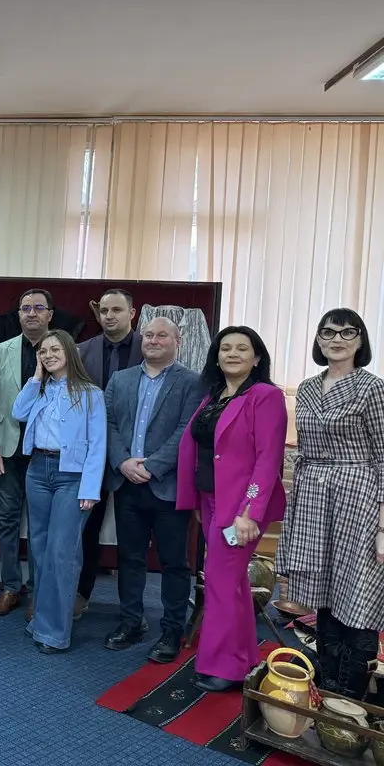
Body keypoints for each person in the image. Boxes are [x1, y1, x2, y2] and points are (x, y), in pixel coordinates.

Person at [279, 309, 384, 700]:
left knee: (358, 590)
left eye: (347, 332)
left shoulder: (372, 388)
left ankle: (350, 698)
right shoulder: (307, 387)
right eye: (328, 332)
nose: (337, 339)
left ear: (361, 340)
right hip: (313, 498)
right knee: (323, 590)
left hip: (359, 496)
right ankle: (326, 684)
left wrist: (383, 526)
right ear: (318, 340)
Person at [177, 326, 287, 692]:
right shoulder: (214, 395)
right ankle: (243, 659)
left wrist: (249, 512)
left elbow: (268, 459)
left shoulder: (266, 396)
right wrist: (198, 500)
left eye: (242, 348)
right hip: (211, 500)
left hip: (242, 506)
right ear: (217, 356)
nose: (233, 354)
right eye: (226, 348)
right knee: (234, 583)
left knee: (220, 581)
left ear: (257, 358)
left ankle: (224, 667)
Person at [102, 318, 203, 663]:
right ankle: (131, 622)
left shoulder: (192, 382)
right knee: (129, 558)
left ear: (177, 341)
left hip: (167, 486)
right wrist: (122, 462)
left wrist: (151, 466)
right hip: (127, 484)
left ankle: (172, 630)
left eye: (162, 335)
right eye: (148, 335)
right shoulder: (121, 379)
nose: (153, 340)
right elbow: (108, 424)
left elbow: (186, 430)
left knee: (174, 563)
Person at [13, 329, 106, 653]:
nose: (49, 355)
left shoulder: (90, 393)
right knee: (39, 550)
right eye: (43, 351)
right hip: (38, 470)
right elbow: (18, 412)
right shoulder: (40, 390)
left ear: (69, 352)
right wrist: (36, 377)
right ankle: (41, 621)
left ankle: (54, 633)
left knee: (61, 553)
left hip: (73, 476)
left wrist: (90, 488)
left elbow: (98, 445)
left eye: (55, 350)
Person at [0, 288, 52, 619]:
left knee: (40, 525)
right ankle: (11, 587)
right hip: (9, 451)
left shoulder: (62, 349)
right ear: (19, 314)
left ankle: (38, 593)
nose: (32, 313)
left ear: (50, 314)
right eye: (26, 308)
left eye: (39, 308)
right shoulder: (3, 349)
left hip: (45, 453)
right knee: (7, 521)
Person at [75, 288, 143, 620]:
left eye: (116, 310)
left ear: (132, 313)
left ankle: (131, 611)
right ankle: (80, 594)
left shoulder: (149, 348)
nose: (109, 316)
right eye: (104, 311)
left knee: (133, 539)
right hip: (90, 458)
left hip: (135, 459)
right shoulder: (81, 351)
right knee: (86, 531)